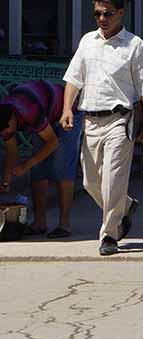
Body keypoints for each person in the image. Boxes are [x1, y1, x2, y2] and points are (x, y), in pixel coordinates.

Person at [62, 0, 143, 256]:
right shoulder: (87, 42)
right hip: (90, 120)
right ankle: (125, 206)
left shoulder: (135, 45)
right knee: (90, 182)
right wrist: (66, 109)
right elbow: (74, 78)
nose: (101, 18)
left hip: (120, 120)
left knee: (112, 180)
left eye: (107, 13)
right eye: (97, 13)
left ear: (120, 13)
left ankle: (109, 234)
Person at [0, 81, 83, 239]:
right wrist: (6, 180)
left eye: (5, 132)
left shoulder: (28, 111)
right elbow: (12, 150)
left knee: (62, 168)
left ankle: (64, 224)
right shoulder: (4, 115)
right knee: (38, 171)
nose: (5, 135)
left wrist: (26, 165)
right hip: (45, 113)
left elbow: (53, 143)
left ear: (11, 123)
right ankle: (39, 223)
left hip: (67, 111)